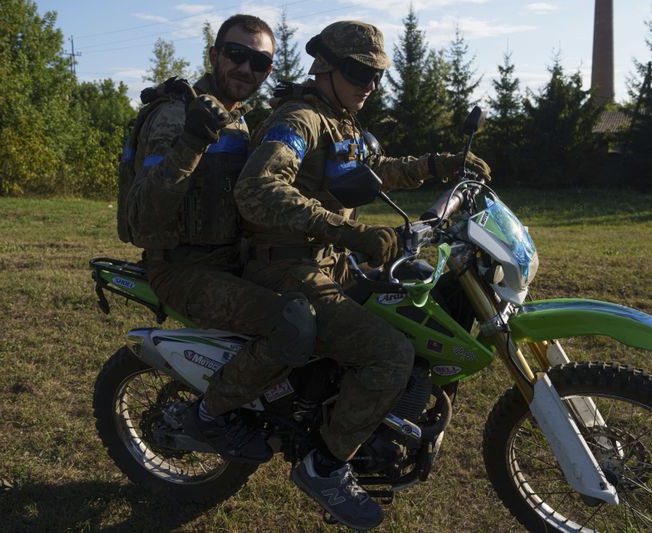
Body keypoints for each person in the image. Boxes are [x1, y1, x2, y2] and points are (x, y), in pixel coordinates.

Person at [233, 20, 492, 530]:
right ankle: (324, 466)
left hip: (331, 261)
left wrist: (438, 165)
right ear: (325, 66)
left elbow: (374, 170)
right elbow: (257, 187)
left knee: (413, 312)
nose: (370, 84)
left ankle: (358, 411)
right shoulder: (300, 118)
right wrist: (348, 233)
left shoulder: (341, 119)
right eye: (358, 71)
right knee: (388, 352)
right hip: (285, 264)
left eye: (376, 74)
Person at [125, 14, 317, 463]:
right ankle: (208, 418)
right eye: (236, 54)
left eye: (260, 62)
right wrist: (191, 141)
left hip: (235, 258)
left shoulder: (239, 120)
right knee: (289, 324)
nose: (246, 69)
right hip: (183, 267)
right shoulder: (177, 115)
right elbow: (143, 216)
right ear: (214, 55)